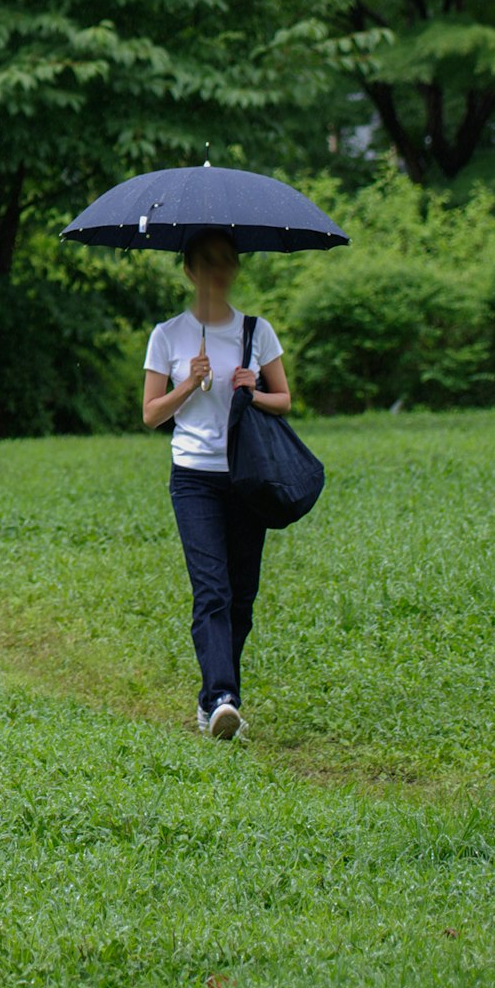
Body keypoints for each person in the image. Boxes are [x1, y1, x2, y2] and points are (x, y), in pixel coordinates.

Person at [139, 228, 293, 740]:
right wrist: (188, 382)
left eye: (227, 261)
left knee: (242, 596)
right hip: (193, 479)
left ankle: (216, 697)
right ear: (189, 269)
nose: (219, 271)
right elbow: (151, 415)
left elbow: (285, 401)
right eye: (208, 262)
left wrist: (253, 389)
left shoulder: (257, 331)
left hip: (248, 477)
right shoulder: (169, 335)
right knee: (212, 591)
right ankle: (223, 698)